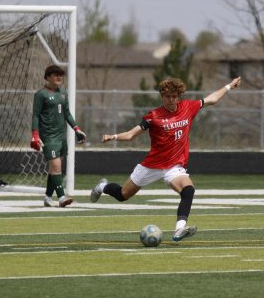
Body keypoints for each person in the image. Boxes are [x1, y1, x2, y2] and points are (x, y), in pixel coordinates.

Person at [90, 76, 241, 241]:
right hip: (152, 165)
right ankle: (102, 187)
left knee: (188, 190)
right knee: (122, 195)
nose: (171, 100)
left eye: (174, 96)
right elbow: (131, 134)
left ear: (179, 96)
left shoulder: (188, 107)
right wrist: (114, 136)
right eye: (167, 96)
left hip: (174, 167)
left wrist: (229, 86)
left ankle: (179, 229)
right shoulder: (153, 116)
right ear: (162, 96)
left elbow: (212, 99)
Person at [31, 65, 86, 207]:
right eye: (56, 75)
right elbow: (35, 116)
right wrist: (35, 135)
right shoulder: (40, 94)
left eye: (61, 75)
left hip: (61, 137)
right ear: (48, 77)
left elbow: (67, 113)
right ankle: (62, 198)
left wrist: (77, 129)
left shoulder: (63, 92)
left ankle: (48, 197)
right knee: (56, 167)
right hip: (49, 137)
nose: (60, 77)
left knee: (53, 169)